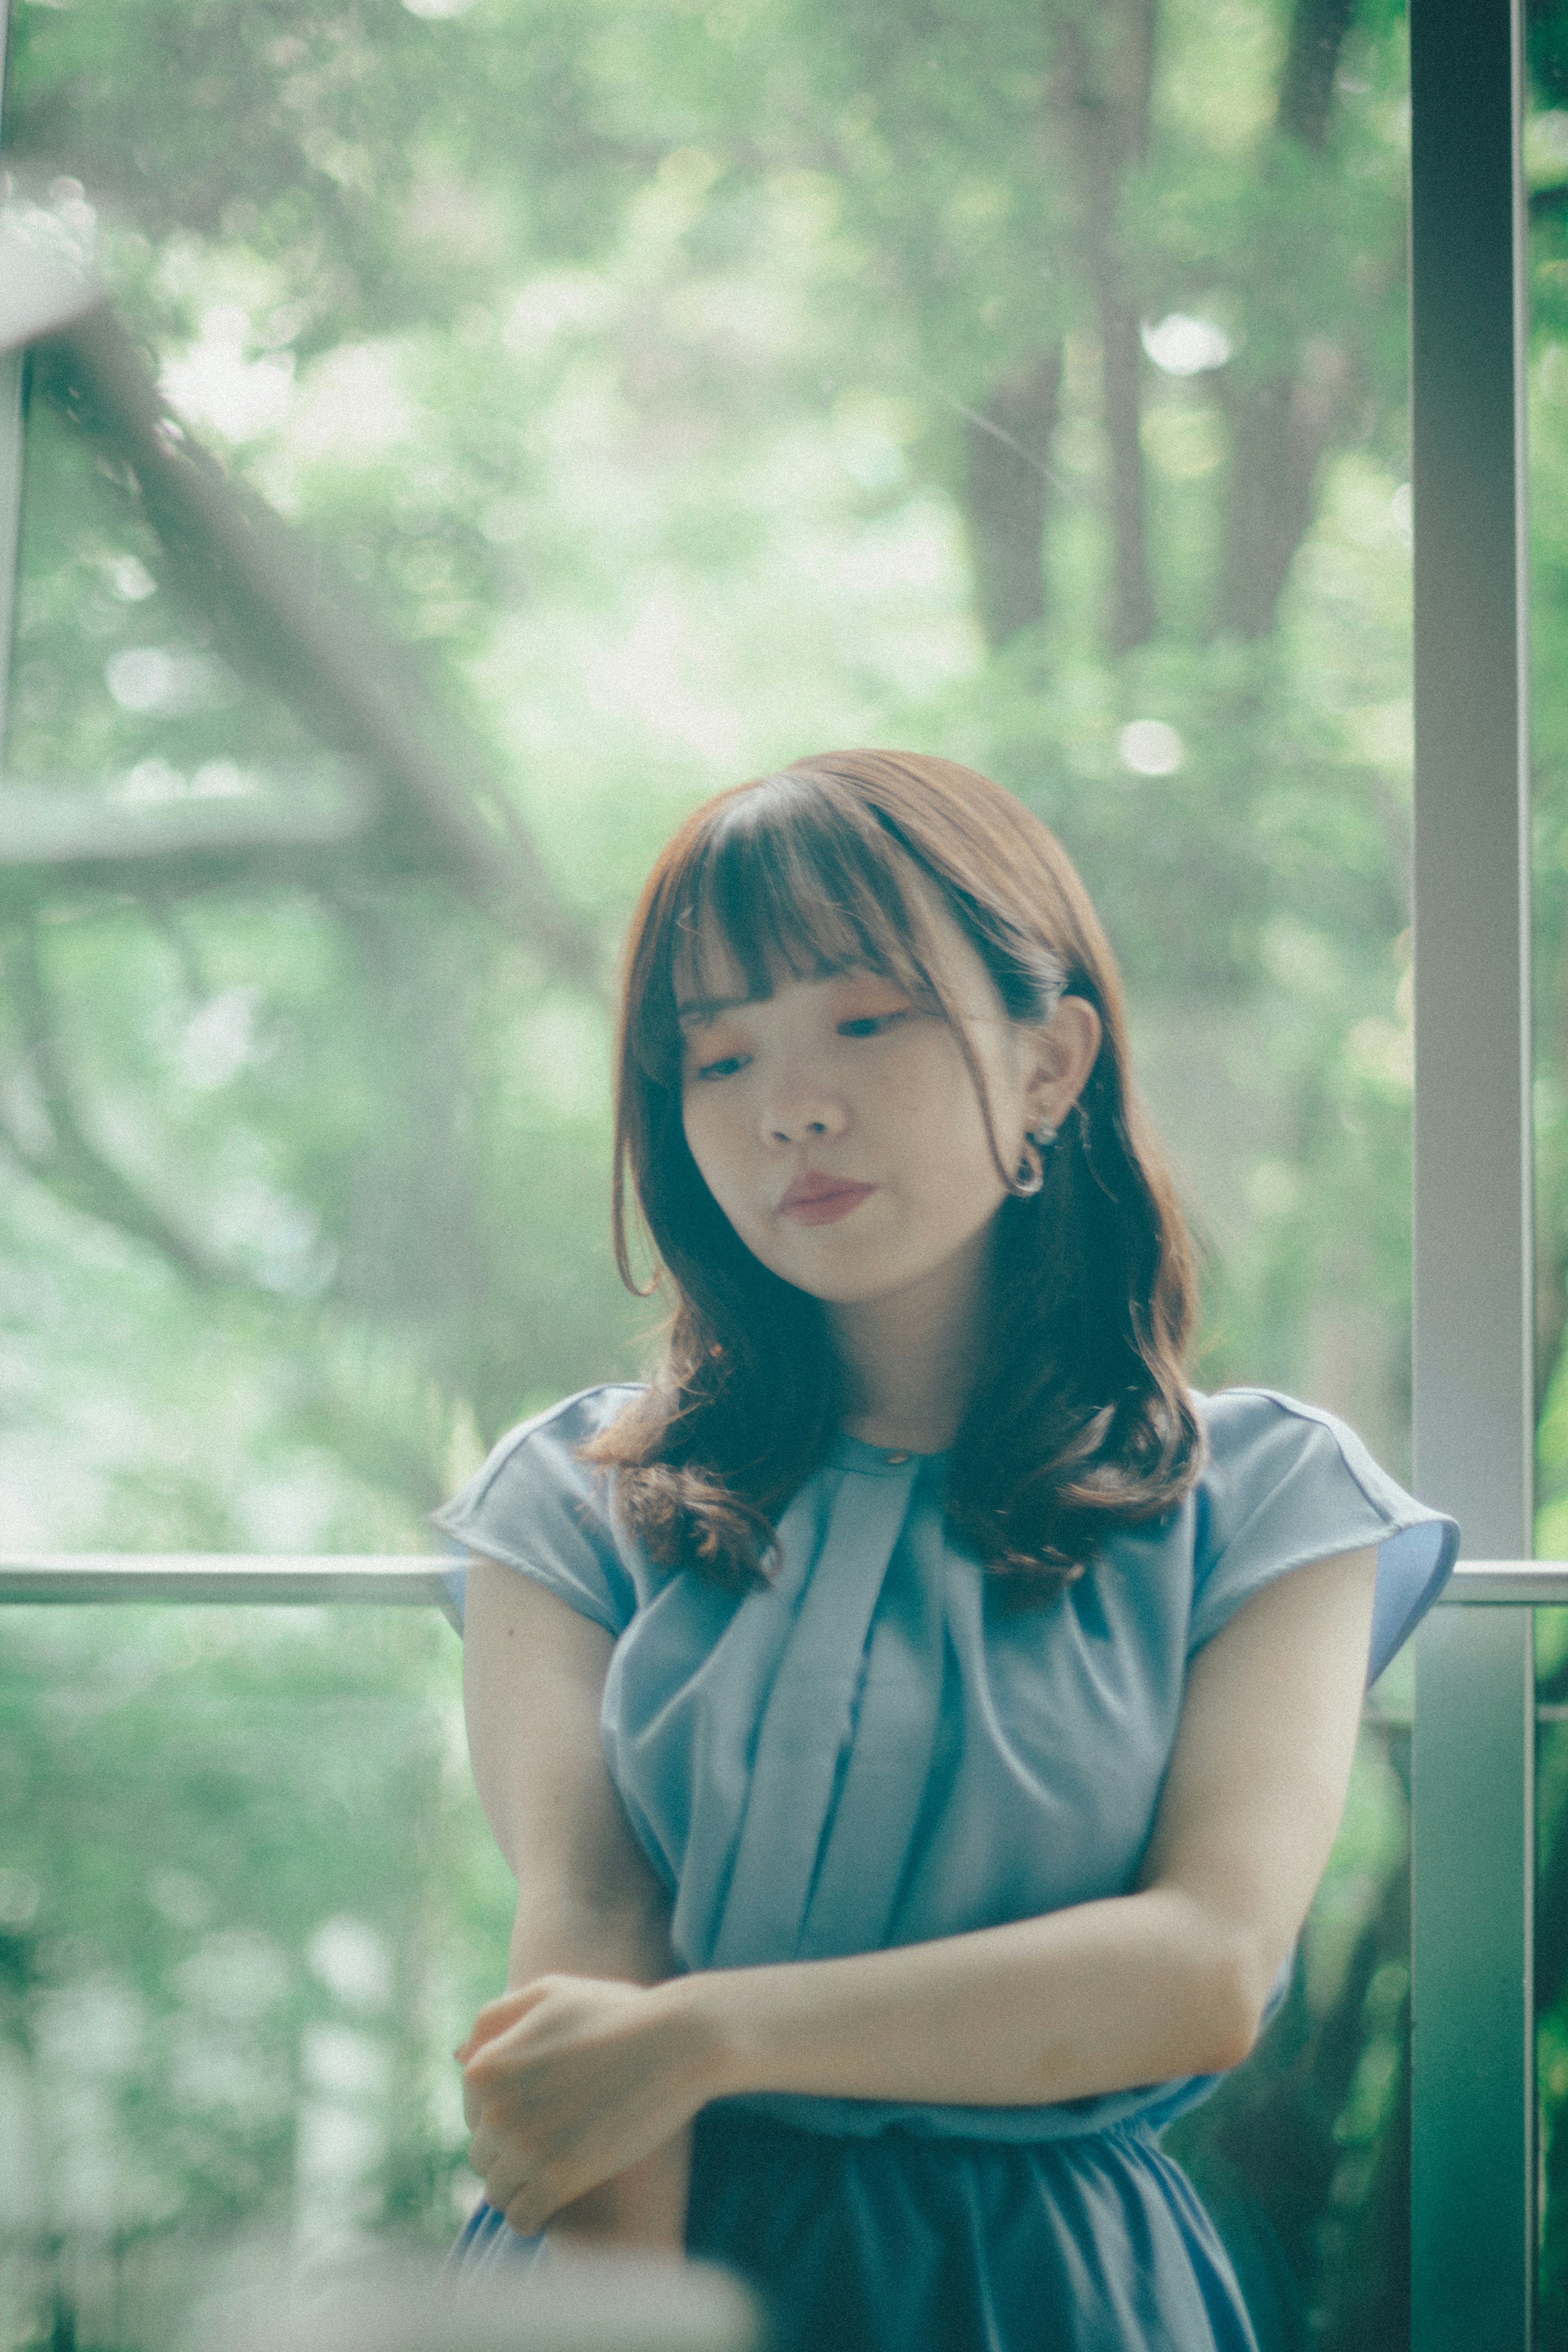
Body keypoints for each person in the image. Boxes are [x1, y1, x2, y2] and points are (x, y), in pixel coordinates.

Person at [434, 749, 1456, 2352]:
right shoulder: (575, 1496)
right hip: (629, 2261)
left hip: (1041, 2290)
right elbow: (590, 1953)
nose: (791, 1105)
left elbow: (1205, 1966)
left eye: (864, 1018)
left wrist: (707, 2038)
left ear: (1049, 1066)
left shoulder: (1267, 1502)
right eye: (716, 1059)